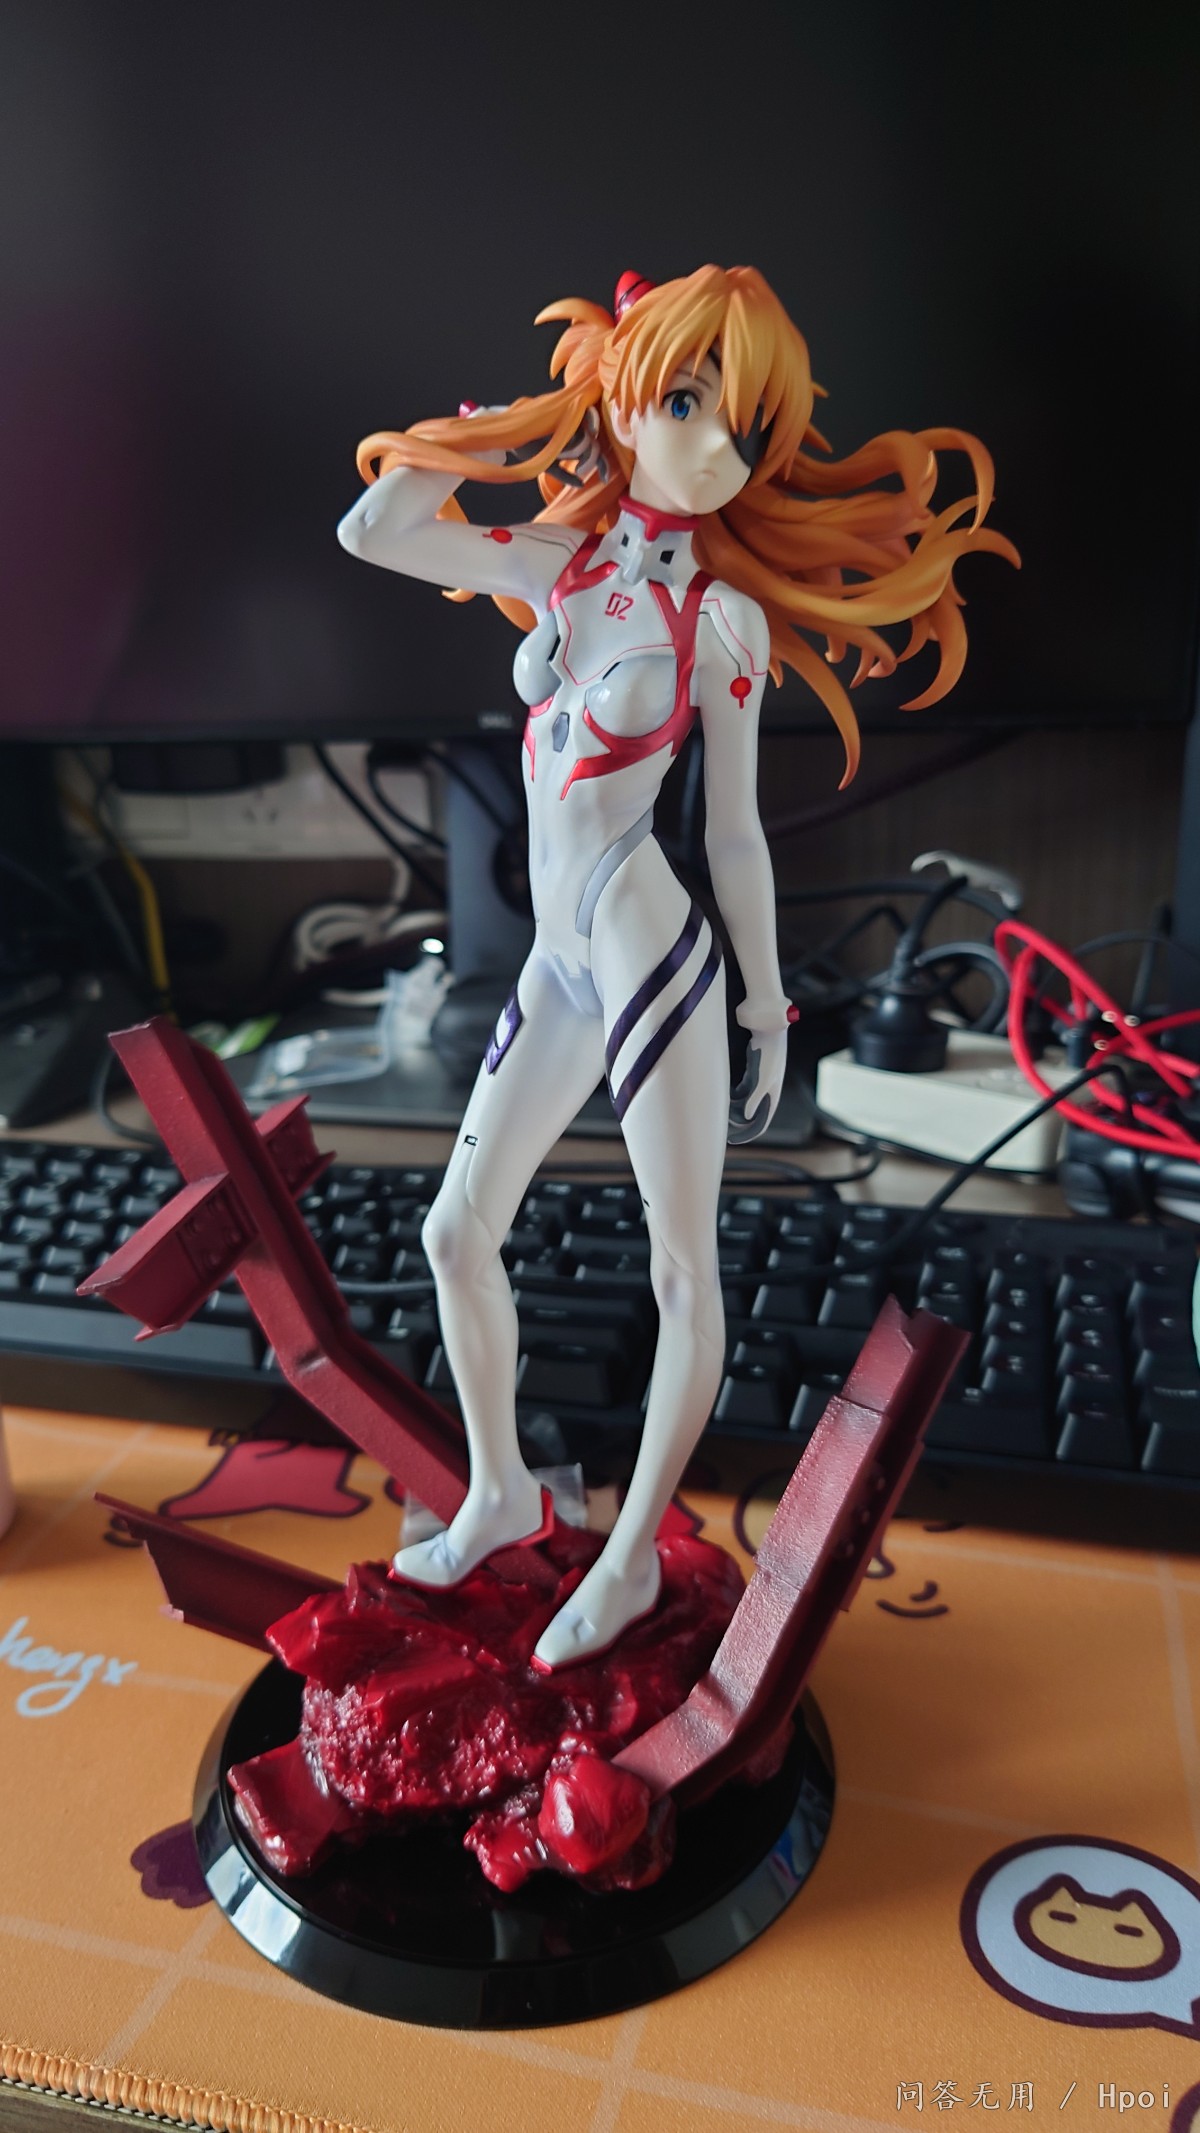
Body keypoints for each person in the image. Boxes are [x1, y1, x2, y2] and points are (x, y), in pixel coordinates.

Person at [337, 263, 1015, 1669]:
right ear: (630, 394)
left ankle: (635, 1555)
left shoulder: (723, 620)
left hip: (651, 946)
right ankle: (501, 1491)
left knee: (682, 1271)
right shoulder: (557, 564)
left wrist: (767, 1002)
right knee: (456, 1232)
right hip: (557, 960)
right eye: (691, 403)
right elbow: (375, 527)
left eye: (747, 429)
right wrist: (510, 427)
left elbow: (734, 834)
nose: (717, 453)